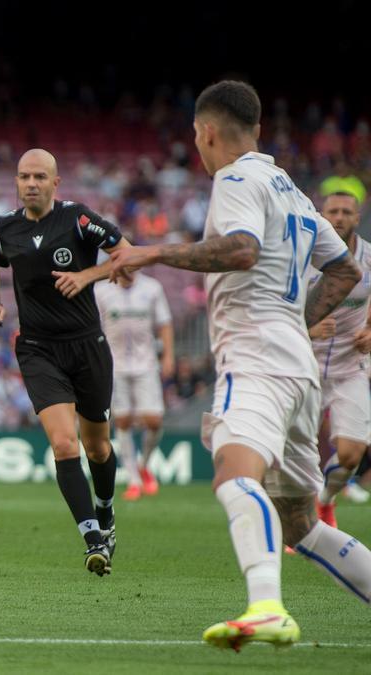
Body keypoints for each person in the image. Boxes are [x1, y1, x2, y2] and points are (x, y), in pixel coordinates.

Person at [110, 80, 371, 651]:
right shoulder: (293, 191)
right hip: (298, 367)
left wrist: (151, 252)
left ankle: (266, 607)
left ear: (205, 132)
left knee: (234, 475)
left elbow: (242, 249)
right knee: (304, 526)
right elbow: (347, 270)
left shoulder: (234, 179)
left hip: (255, 357)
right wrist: (297, 323)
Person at [0, 148, 131, 576]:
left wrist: (86, 276)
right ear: (17, 181)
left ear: (55, 183)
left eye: (39, 177)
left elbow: (128, 254)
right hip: (38, 348)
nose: (31, 183)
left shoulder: (79, 218)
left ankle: (106, 511)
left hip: (87, 346)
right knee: (65, 444)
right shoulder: (4, 228)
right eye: (24, 176)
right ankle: (92, 540)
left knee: (97, 446)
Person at [305, 190, 371, 526]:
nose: (340, 217)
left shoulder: (370, 259)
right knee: (296, 454)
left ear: (357, 217)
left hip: (351, 368)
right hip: (306, 366)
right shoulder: (304, 257)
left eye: (347, 211)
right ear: (322, 215)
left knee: (350, 454)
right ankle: (296, 522)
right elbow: (281, 309)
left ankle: (325, 500)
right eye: (333, 210)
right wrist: (308, 330)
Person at [94, 270, 174, 500]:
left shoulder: (152, 288)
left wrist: (168, 356)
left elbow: (165, 324)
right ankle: (133, 480)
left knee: (154, 420)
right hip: (114, 366)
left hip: (146, 364)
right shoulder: (102, 290)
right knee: (123, 420)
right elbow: (94, 327)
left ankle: (144, 465)